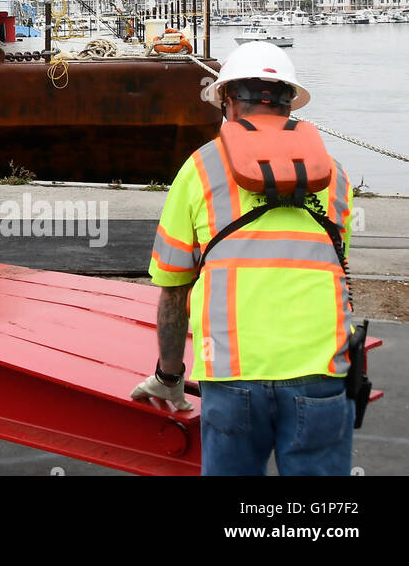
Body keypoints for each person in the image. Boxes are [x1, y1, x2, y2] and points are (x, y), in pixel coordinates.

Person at [131, 41, 358, 476]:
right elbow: (337, 269)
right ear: (290, 102)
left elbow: (174, 291)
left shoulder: (199, 169)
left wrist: (169, 375)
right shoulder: (337, 176)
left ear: (228, 101)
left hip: (233, 377)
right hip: (322, 373)